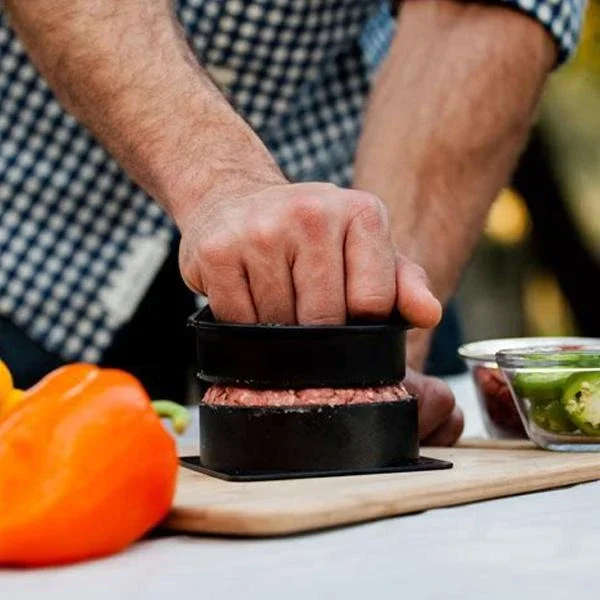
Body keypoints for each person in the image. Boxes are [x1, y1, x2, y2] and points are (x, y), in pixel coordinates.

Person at [0, 0, 586, 445]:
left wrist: (372, 336)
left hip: (348, 180)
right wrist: (224, 182)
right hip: (30, 227)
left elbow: (479, 16)